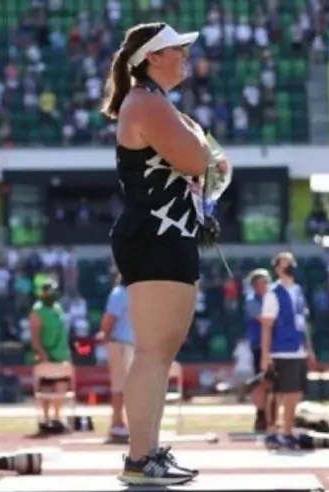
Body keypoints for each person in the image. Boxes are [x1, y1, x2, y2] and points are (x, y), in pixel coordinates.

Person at [102, 21, 225, 485]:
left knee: (160, 350)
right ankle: (140, 458)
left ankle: (147, 452)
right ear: (152, 57)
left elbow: (203, 159)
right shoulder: (148, 102)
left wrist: (202, 148)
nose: (185, 56)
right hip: (154, 234)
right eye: (177, 49)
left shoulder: (154, 103)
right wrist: (203, 147)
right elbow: (199, 161)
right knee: (154, 351)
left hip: (166, 233)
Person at [259, 252, 314, 448]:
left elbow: (302, 322)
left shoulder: (298, 290)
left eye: (292, 263)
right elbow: (266, 325)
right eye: (286, 264)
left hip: (298, 348)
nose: (290, 266)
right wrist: (266, 354)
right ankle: (282, 432)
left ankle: (284, 429)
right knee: (285, 392)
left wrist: (309, 349)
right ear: (277, 268)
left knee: (296, 393)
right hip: (282, 349)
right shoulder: (273, 292)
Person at [29, 280, 72, 430]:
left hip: (61, 354)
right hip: (46, 355)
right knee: (46, 387)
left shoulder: (57, 308)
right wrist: (41, 353)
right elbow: (34, 337)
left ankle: (57, 416)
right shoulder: (37, 311)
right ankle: (46, 418)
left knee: (61, 386)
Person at [97, 273, 134, 441]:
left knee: (121, 386)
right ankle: (121, 423)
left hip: (121, 342)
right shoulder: (135, 293)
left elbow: (109, 320)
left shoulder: (120, 293)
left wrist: (104, 336)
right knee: (126, 386)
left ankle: (118, 423)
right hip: (130, 343)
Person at [243, 268, 271, 431]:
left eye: (267, 282)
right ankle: (261, 415)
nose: (265, 286)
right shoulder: (252, 301)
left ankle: (271, 415)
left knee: (274, 382)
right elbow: (265, 320)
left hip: (275, 346)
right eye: (261, 283)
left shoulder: (272, 299)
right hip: (259, 346)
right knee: (262, 381)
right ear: (254, 286)